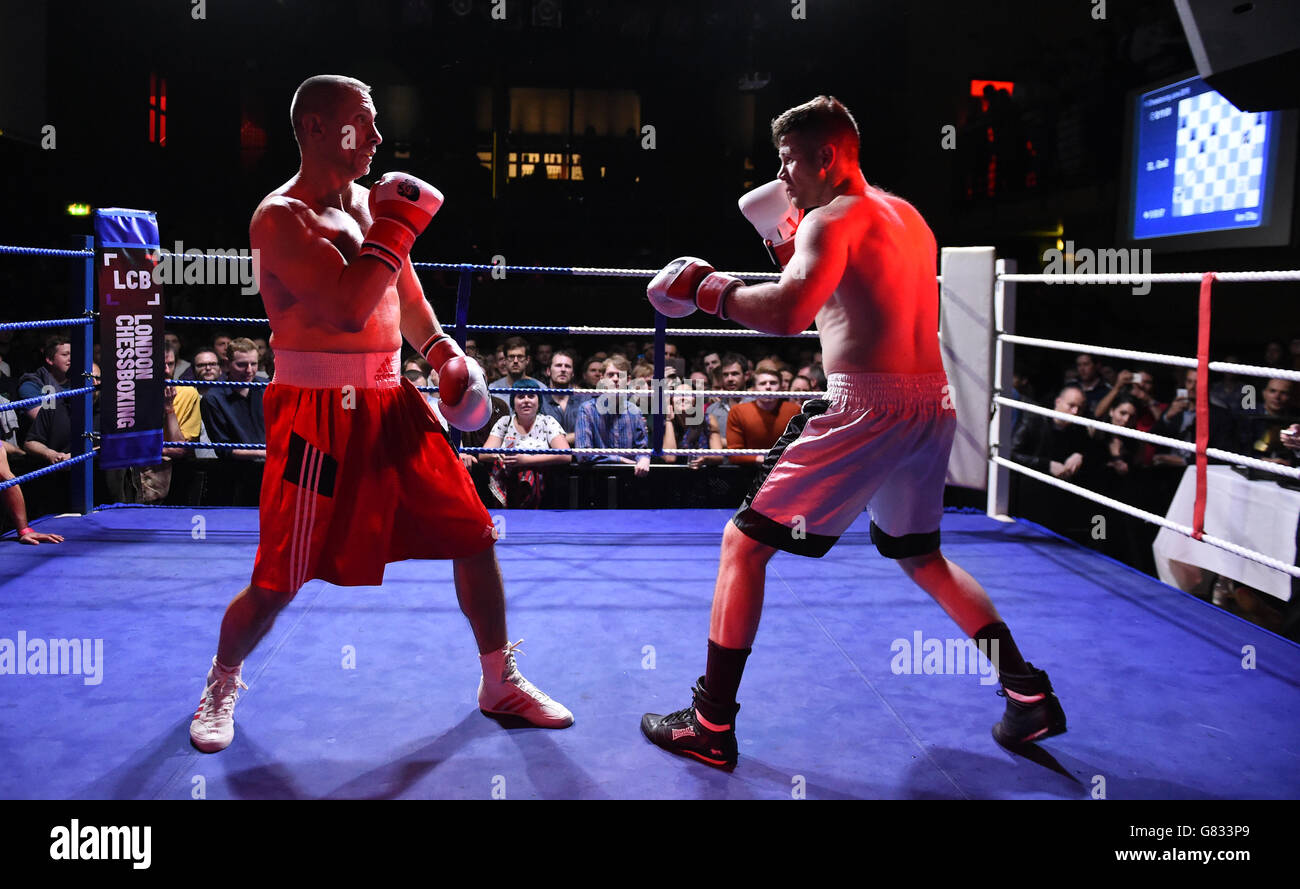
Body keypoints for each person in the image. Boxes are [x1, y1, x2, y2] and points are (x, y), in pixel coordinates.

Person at [640, 96, 1064, 768]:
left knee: (742, 545)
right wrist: (784, 238)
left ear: (828, 157)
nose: (784, 181)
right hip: (931, 404)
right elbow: (840, 305)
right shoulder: (907, 217)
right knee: (921, 555)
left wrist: (708, 290)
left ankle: (710, 724)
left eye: (789, 164)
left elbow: (787, 313)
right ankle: (1028, 692)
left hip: (867, 407)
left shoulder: (832, 219)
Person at [189, 74, 571, 755]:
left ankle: (497, 681)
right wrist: (396, 226)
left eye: (373, 124)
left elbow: (410, 299)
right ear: (312, 128)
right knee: (278, 579)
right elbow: (346, 305)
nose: (376, 136)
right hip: (316, 415)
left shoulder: (372, 205)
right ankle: (221, 681)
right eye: (360, 122)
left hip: (393, 401)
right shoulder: (280, 218)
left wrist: (444, 352)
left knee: (474, 534)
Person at [481, 378, 570, 507]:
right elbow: (483, 454)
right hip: (507, 479)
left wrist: (526, 460)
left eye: (531, 396)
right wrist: (499, 456)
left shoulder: (547, 422)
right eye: (521, 396)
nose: (526, 400)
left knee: (529, 472)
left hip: (541, 485)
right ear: (513, 402)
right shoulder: (504, 422)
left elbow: (565, 455)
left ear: (539, 401)